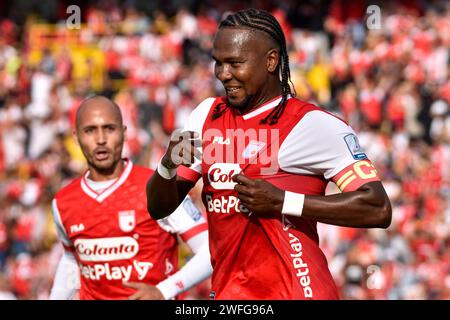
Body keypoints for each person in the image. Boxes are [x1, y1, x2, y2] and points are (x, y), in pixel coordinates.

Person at [146, 8, 392, 300]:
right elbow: (159, 208)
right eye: (218, 63)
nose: (224, 74)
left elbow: (377, 208)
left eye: (235, 63)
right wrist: (167, 166)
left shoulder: (314, 124)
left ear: (271, 61)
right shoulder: (205, 116)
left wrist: (283, 201)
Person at [49, 96, 212, 300]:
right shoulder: (63, 202)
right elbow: (72, 260)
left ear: (124, 132)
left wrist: (165, 290)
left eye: (109, 128)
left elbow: (210, 251)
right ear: (76, 137)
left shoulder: (156, 188)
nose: (100, 139)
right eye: (90, 130)